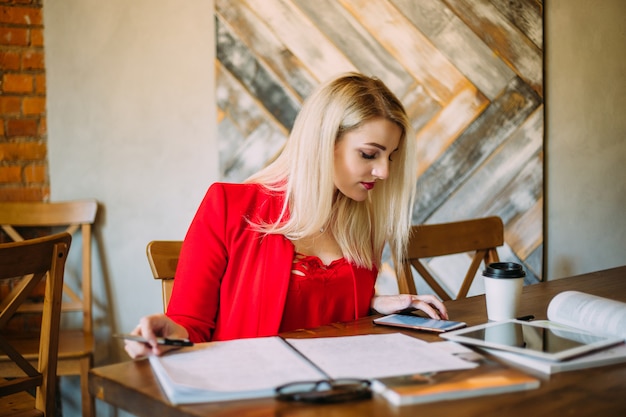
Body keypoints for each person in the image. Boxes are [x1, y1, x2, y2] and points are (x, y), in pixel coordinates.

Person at [125, 72, 448, 358]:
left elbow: (322, 311)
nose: (383, 171)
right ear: (323, 142)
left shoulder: (363, 221)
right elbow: (191, 325)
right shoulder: (227, 206)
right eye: (369, 154)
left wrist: (373, 303)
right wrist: (166, 334)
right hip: (254, 395)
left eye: (391, 156)